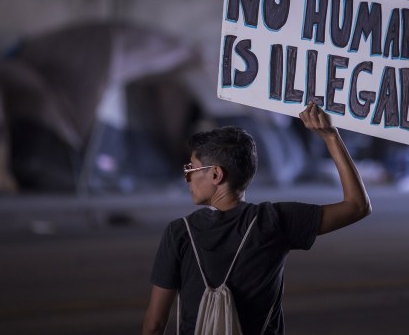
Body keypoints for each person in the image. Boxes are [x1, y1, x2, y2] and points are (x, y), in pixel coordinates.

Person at [142, 102, 372, 335]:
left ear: (215, 174)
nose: (187, 178)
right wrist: (331, 138)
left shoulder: (179, 232)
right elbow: (357, 206)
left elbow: (155, 324)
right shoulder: (274, 221)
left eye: (191, 169)